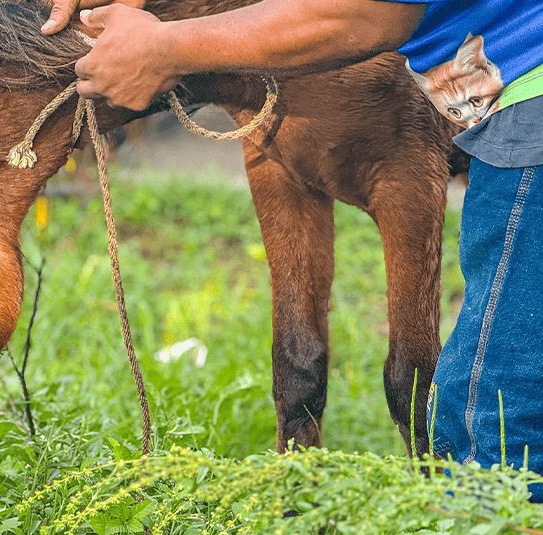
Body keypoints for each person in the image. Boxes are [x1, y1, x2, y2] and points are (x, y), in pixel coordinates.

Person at [42, 0, 543, 501]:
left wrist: (166, 47)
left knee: (495, 409)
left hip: (528, 101)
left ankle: (464, 506)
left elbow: (365, 16)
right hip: (508, 89)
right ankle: (300, 492)